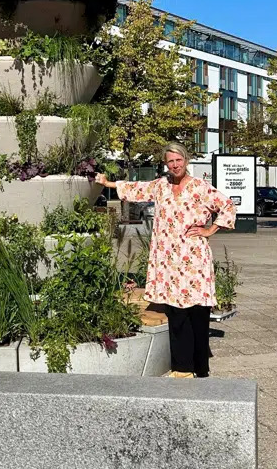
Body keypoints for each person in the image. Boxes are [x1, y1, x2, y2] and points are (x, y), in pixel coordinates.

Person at [95, 143, 236, 379]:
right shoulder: (161, 186)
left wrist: (210, 230)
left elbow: (227, 205)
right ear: (166, 164)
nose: (175, 165)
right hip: (169, 261)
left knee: (198, 312)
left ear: (186, 160)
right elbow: (137, 189)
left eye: (178, 160)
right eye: (170, 161)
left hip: (194, 259)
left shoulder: (200, 187)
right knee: (177, 313)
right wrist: (109, 184)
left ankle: (200, 368)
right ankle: (182, 369)